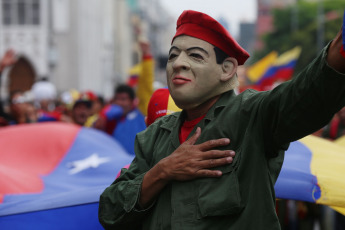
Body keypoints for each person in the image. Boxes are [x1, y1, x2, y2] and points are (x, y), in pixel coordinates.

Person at [99, 10, 345, 229]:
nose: (178, 64)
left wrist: (340, 50)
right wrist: (163, 170)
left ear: (226, 69)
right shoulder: (153, 137)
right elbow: (110, 212)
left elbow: (305, 98)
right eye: (173, 56)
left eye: (195, 56)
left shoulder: (250, 116)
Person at [94, 84, 146, 155]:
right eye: (117, 99)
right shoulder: (110, 116)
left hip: (136, 162)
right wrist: (104, 116)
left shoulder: (141, 113)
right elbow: (97, 132)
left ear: (132, 101)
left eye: (123, 99)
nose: (119, 103)